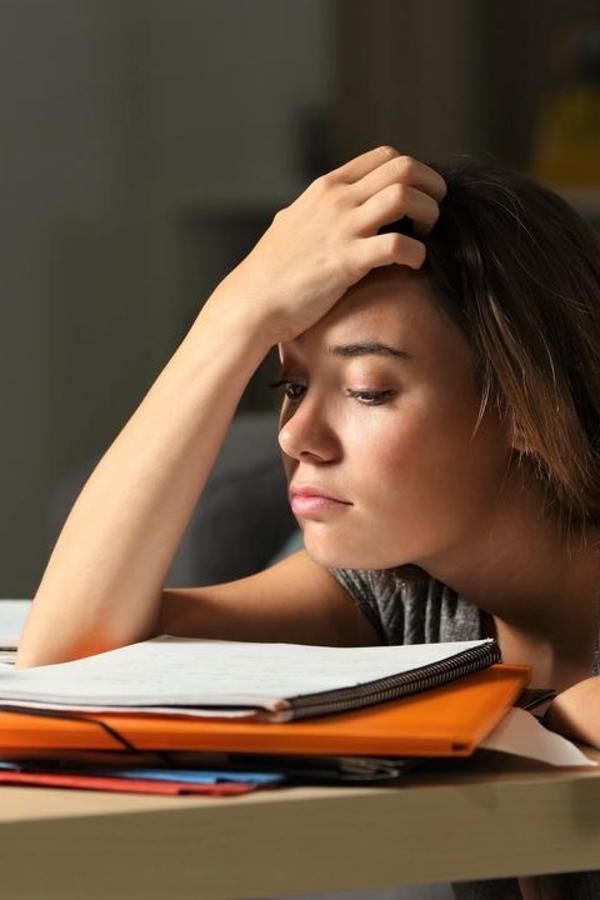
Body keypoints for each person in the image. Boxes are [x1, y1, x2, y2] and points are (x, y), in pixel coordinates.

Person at [15, 146, 600, 899]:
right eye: (289, 382)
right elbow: (69, 657)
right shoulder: (395, 598)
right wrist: (234, 314)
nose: (295, 436)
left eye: (367, 390)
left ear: (524, 404)